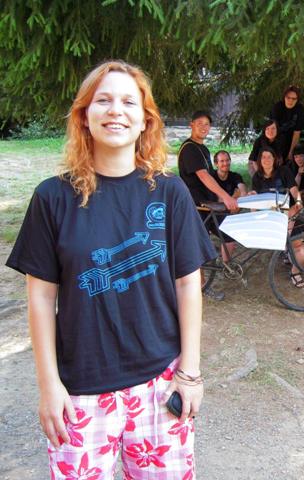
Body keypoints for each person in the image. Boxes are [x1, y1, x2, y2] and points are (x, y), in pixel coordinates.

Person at [5, 60, 216, 479]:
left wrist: (189, 373)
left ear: (145, 120)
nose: (115, 110)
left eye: (128, 102)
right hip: (80, 391)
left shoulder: (170, 193)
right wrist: (49, 385)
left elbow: (188, 285)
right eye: (103, 100)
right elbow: (41, 298)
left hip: (160, 384)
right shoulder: (52, 199)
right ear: (85, 116)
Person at [178, 110, 238, 213]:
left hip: (209, 202)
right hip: (198, 207)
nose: (203, 127)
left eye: (206, 124)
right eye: (200, 123)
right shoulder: (189, 148)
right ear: (191, 125)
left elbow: (210, 174)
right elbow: (204, 176)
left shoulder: (203, 148)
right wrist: (226, 197)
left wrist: (222, 196)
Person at [270, 85, 304, 161]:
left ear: (297, 100)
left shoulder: (300, 109)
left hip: (292, 140)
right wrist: (276, 153)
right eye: (288, 98)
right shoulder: (277, 107)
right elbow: (272, 130)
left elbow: (297, 133)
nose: (290, 101)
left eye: (294, 99)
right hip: (277, 139)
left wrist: (291, 153)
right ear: (284, 97)